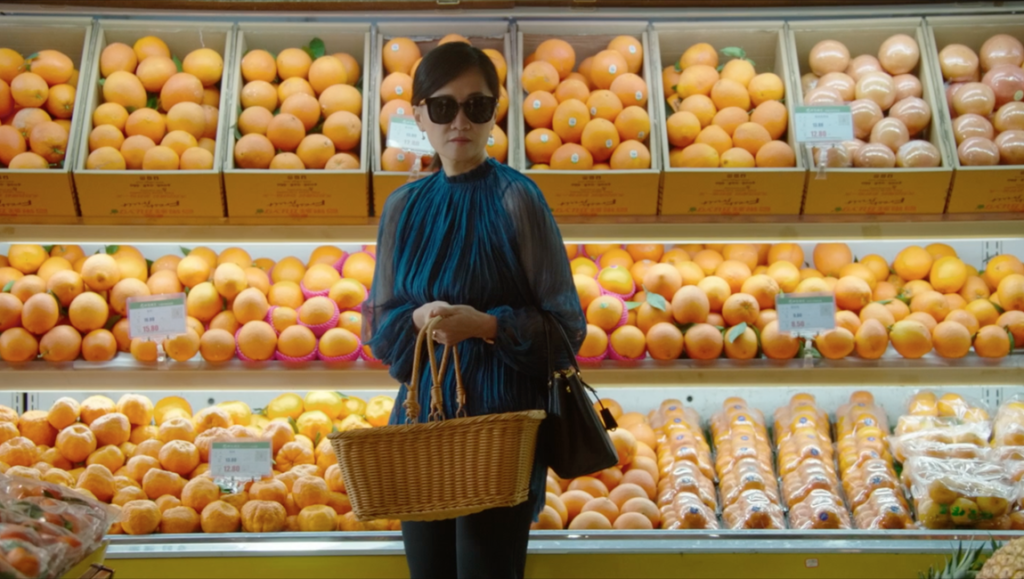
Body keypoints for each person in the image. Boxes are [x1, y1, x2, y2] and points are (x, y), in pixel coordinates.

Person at [364, 41, 586, 579]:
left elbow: (566, 327)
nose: (459, 120)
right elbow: (383, 328)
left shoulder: (518, 199)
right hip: (423, 423)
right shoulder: (402, 207)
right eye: (442, 106)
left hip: (501, 430)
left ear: (495, 111)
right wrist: (418, 320)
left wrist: (487, 326)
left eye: (477, 106)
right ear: (418, 114)